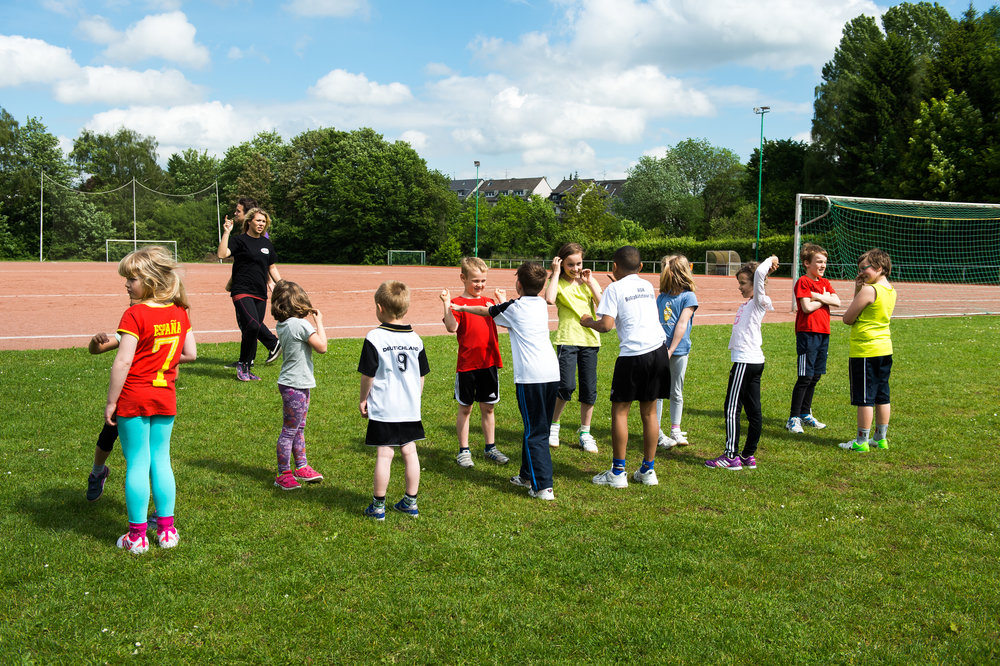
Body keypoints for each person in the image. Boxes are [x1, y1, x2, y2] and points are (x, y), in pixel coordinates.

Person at [106, 246, 197, 554]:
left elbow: (122, 362)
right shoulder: (180, 312)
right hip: (165, 396)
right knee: (161, 459)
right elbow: (190, 353)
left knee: (137, 462)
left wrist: (110, 402)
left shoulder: (134, 314)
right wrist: (162, 360)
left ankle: (137, 536)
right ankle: (167, 531)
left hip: (134, 396)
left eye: (131, 279)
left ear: (150, 279)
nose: (127, 285)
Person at [451, 262, 559, 500]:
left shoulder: (514, 308)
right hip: (553, 374)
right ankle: (526, 476)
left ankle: (543, 487)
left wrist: (460, 306)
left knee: (535, 433)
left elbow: (486, 312)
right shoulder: (541, 304)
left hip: (531, 378)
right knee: (535, 427)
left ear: (518, 283)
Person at [581, 246, 669, 488]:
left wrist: (589, 322)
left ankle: (618, 472)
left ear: (614, 267)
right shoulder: (647, 286)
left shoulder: (614, 288)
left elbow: (607, 325)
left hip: (633, 355)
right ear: (640, 267)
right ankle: (648, 470)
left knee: (620, 412)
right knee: (649, 412)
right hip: (658, 351)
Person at [359, 281, 429, 520]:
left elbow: (368, 375)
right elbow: (421, 376)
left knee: (385, 454)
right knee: (410, 451)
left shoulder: (375, 337)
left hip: (385, 408)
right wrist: (414, 399)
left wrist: (363, 399)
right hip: (409, 407)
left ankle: (378, 507)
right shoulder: (416, 339)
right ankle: (411, 502)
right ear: (405, 309)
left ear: (380, 307)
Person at [705, 256, 780, 470]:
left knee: (731, 408)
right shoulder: (751, 302)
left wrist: (771, 259)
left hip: (745, 362)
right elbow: (759, 278)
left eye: (743, 283)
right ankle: (748, 456)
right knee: (754, 410)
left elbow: (758, 276)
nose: (740, 287)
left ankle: (731, 456)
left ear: (755, 284)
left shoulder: (758, 300)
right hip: (753, 361)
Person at [440, 257, 508, 468]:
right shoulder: (458, 303)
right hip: (467, 365)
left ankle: (490, 448)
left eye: (483, 280)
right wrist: (446, 304)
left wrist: (502, 302)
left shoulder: (489, 303)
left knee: (488, 408)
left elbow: (507, 322)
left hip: (489, 363)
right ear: (463, 278)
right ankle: (464, 450)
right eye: (475, 280)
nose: (480, 285)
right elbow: (451, 328)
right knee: (466, 408)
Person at [544, 242, 602, 452]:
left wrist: (591, 282)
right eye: (570, 264)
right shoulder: (557, 282)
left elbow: (603, 305)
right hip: (567, 339)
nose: (576, 268)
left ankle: (585, 432)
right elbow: (549, 299)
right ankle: (554, 426)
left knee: (589, 389)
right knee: (565, 386)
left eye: (578, 263)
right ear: (561, 262)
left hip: (590, 340)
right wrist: (556, 272)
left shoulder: (587, 282)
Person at [270, 280, 328, 490]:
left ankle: (301, 466)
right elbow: (322, 347)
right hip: (295, 385)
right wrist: (319, 322)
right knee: (290, 430)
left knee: (297, 428)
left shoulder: (283, 324)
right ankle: (283, 473)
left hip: (294, 383)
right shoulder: (301, 324)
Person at [839, 249, 896, 453]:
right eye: (859, 269)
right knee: (882, 395)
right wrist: (859, 286)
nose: (861, 272)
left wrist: (859, 290)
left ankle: (861, 441)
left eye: (865, 268)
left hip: (865, 350)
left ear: (879, 268)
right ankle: (881, 438)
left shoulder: (869, 291)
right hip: (884, 349)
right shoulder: (890, 290)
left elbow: (848, 318)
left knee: (865, 398)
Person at [217, 206, 282, 381]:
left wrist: (282, 285)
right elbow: (222, 254)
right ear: (249, 222)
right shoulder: (240, 241)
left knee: (251, 330)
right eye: (258, 220)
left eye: (263, 221)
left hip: (260, 293)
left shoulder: (266, 244)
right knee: (253, 325)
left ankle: (246, 366)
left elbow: (272, 267)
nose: (261, 224)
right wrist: (226, 232)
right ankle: (243, 365)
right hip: (241, 290)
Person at [787, 243, 841, 433]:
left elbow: (837, 301)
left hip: (823, 333)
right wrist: (823, 298)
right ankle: (793, 417)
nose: (822, 265)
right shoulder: (803, 281)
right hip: (807, 334)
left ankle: (805, 413)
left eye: (825, 262)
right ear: (807, 263)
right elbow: (807, 308)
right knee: (805, 376)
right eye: (819, 261)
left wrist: (817, 296)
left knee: (816, 375)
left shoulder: (824, 282)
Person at [655, 254, 699, 449]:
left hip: (678, 350)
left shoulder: (688, 297)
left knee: (676, 391)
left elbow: (682, 324)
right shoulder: (662, 297)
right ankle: (655, 431)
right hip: (659, 349)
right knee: (657, 392)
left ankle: (675, 429)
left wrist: (671, 349)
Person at [85, 331, 122, 502]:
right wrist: (94, 341)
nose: (131, 308)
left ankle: (162, 509)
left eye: (134, 303)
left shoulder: (164, 328)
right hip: (127, 395)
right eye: (130, 304)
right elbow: (96, 350)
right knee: (108, 435)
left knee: (151, 453)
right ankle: (98, 472)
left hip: (153, 396)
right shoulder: (130, 330)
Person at [223, 197, 258, 369]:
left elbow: (264, 262)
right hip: (242, 286)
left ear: (247, 215)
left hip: (253, 288)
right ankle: (247, 360)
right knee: (249, 324)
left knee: (251, 323)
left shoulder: (260, 236)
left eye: (238, 211)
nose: (235, 213)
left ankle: (273, 344)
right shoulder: (240, 238)